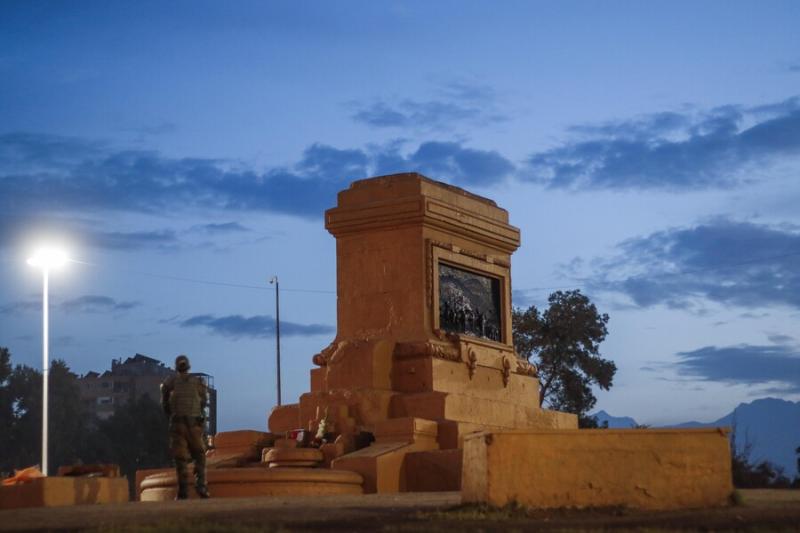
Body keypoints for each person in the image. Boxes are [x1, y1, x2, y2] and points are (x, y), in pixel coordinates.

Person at [160, 354, 210, 499]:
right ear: (188, 367)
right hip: (193, 425)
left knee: (180, 459)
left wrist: (170, 414)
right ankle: (201, 485)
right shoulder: (197, 382)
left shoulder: (170, 382)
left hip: (178, 424)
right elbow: (203, 402)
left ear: (176, 367)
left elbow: (164, 403)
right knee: (199, 455)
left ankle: (183, 491)